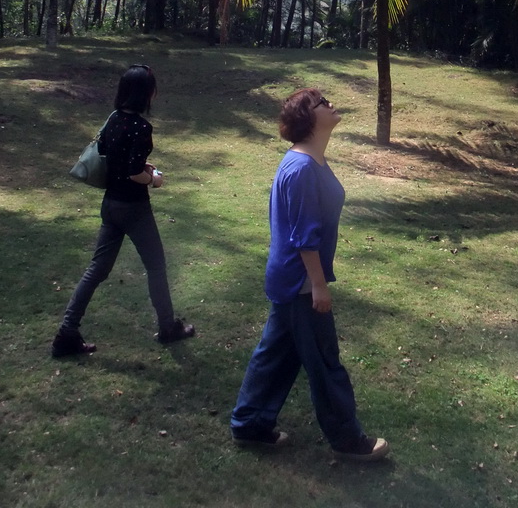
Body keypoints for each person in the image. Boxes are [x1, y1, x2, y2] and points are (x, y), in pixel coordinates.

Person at [230, 88, 389, 462]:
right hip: (300, 281)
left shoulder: (310, 160)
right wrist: (318, 285)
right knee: (324, 360)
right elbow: (304, 236)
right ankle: (348, 440)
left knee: (276, 356)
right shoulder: (301, 168)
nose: (330, 104)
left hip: (290, 279)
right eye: (321, 103)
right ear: (308, 119)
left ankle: (250, 424)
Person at [51, 65, 195, 357]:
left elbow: (111, 155)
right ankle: (168, 328)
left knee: (96, 270)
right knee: (156, 266)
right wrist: (153, 179)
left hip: (111, 205)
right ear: (146, 93)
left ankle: (66, 333)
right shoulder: (142, 128)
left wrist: (141, 166)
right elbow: (132, 172)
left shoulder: (113, 120)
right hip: (134, 208)